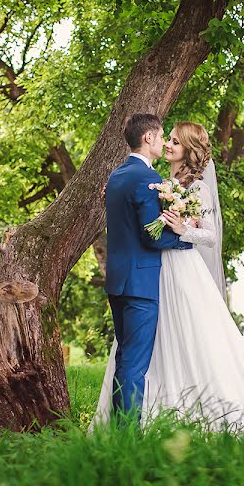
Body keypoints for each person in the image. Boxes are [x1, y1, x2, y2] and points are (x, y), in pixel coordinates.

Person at [92, 120, 244, 435]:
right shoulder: (156, 181)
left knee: (192, 339)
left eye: (174, 142)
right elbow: (144, 223)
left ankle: (198, 407)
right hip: (155, 272)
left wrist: (183, 230)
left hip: (181, 269)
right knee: (151, 345)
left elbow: (210, 237)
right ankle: (152, 413)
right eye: (168, 140)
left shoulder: (197, 187)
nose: (168, 145)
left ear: (189, 150)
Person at [102, 113, 193, 427]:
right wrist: (187, 238)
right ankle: (126, 436)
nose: (165, 140)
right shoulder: (145, 178)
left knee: (124, 358)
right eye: (162, 135)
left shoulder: (116, 176)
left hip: (117, 281)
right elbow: (151, 236)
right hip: (140, 283)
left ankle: (119, 429)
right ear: (148, 138)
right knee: (134, 365)